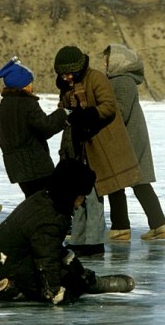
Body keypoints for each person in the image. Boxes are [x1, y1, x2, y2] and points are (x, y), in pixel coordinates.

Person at [0, 159, 135, 304]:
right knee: (70, 288)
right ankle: (14, 290)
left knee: (69, 268)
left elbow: (50, 249)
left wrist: (75, 267)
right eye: (80, 197)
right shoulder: (50, 218)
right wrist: (55, 291)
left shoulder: (44, 199)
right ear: (70, 193)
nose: (80, 204)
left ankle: (88, 281)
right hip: (11, 264)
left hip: (7, 259)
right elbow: (46, 259)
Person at [54, 45, 142, 256]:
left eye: (70, 73)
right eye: (63, 74)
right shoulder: (67, 86)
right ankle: (78, 240)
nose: (66, 77)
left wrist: (87, 116)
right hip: (79, 148)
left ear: (78, 68)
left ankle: (93, 243)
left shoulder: (96, 79)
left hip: (101, 146)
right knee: (79, 196)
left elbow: (109, 106)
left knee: (94, 196)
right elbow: (63, 108)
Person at [102, 43, 165, 241]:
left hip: (126, 140)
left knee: (119, 180)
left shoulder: (122, 81)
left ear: (117, 61)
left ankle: (121, 227)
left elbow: (119, 112)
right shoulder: (122, 81)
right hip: (129, 138)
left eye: (107, 59)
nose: (104, 63)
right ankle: (158, 225)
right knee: (138, 183)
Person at [0, 56, 68, 197]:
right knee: (48, 204)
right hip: (36, 166)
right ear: (24, 85)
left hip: (16, 168)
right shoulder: (27, 104)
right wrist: (63, 113)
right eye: (30, 82)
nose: (32, 86)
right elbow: (46, 127)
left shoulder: (1, 108)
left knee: (33, 203)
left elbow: (0, 135)